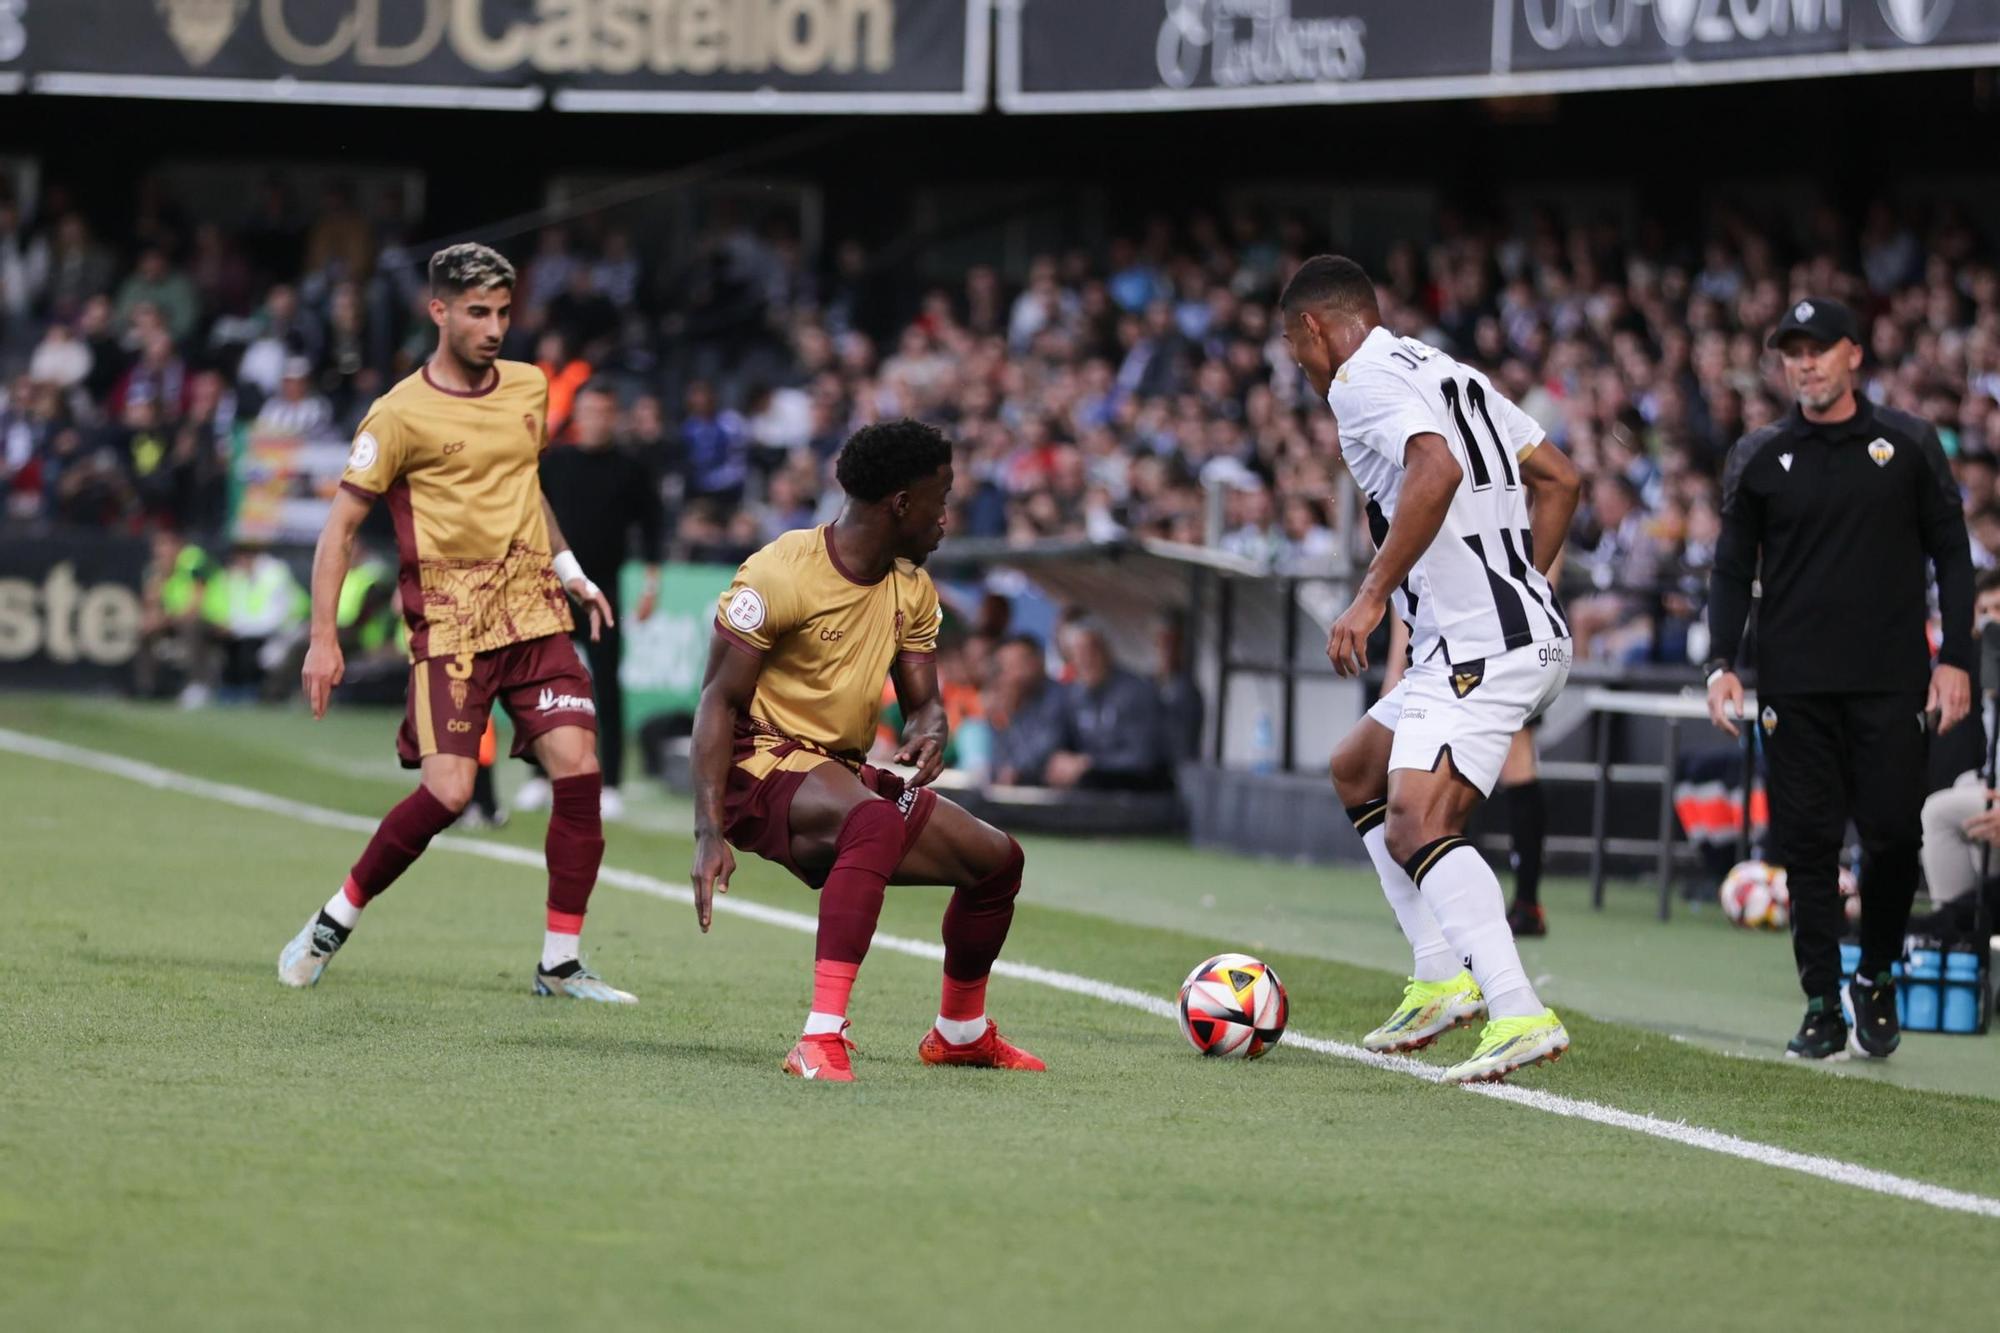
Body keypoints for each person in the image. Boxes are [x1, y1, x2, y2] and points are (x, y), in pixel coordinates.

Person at [278, 243, 630, 1004]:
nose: (495, 326)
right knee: (446, 791)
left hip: (536, 614)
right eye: (478, 312)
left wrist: (571, 572)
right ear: (438, 310)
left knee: (579, 767)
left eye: (504, 311)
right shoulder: (399, 413)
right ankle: (333, 919)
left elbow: (523, 487)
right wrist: (323, 637)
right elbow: (338, 530)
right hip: (452, 630)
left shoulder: (531, 386)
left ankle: (560, 962)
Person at [1285, 254, 1579, 1084]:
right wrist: (1522, 581)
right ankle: (1440, 973)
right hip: (1488, 634)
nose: (1298, 365)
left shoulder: (1357, 382)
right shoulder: (1449, 370)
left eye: (1292, 346)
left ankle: (1517, 1008)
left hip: (1483, 642)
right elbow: (1560, 477)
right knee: (1357, 769)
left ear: (1314, 328)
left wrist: (1371, 596)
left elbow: (1436, 470)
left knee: (1417, 821)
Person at [688, 419, 1043, 1082]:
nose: (947, 517)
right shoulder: (780, 571)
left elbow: (925, 701)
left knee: (996, 861)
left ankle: (959, 1032)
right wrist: (709, 828)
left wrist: (931, 729)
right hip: (754, 762)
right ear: (900, 503)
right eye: (941, 499)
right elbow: (715, 701)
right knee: (873, 822)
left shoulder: (910, 587)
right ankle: (819, 1038)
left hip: (834, 769)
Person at [1706, 296, 1974, 1062]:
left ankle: (1878, 976)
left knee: (1891, 839)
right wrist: (1722, 663)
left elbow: (1953, 556)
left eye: (1819, 347)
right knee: (1810, 846)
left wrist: (1956, 657)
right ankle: (1822, 1000)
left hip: (1893, 682)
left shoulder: (1910, 443)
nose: (1805, 362)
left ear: (1854, 353)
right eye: (1793, 350)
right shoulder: (1758, 455)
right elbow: (1731, 568)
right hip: (1793, 687)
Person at [516, 381, 664, 820]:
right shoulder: (555, 463)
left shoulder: (630, 469)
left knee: (606, 688)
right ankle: (540, 776)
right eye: (590, 411)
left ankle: (612, 783)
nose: (597, 419)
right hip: (551, 588)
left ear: (614, 416)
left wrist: (651, 587)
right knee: (541, 687)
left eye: (604, 411)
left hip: (605, 592)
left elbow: (653, 528)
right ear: (578, 414)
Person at [1915, 570, 2000, 935]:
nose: (1991, 619)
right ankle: (1961, 942)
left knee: (1941, 813)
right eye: (1983, 611)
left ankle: (1952, 938)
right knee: (1965, 792)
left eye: (1999, 608)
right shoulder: (1987, 678)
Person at [1048, 619, 1168, 790]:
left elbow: (1143, 757)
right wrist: (1062, 760)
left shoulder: (1136, 692)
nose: (1086, 660)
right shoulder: (1074, 695)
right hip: (1090, 792)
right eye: (1078, 653)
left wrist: (1090, 763)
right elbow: (1061, 743)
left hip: (1136, 792)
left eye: (1092, 650)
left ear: (1107, 651)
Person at [987, 633, 1067, 786]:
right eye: (1007, 666)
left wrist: (1015, 769)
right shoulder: (1006, 701)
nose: (1014, 673)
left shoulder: (1058, 696)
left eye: (1019, 663)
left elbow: (1047, 746)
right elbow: (997, 757)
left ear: (1038, 661)